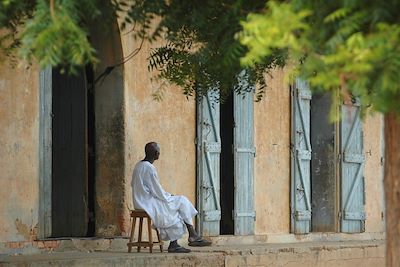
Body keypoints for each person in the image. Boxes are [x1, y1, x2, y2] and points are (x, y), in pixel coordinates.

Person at [131, 142, 211, 253]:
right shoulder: (149, 168)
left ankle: (189, 237)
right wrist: (168, 196)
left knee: (179, 207)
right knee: (181, 203)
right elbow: (156, 190)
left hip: (141, 201)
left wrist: (167, 197)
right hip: (147, 202)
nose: (159, 153)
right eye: (158, 151)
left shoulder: (138, 165)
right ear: (156, 153)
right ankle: (190, 236)